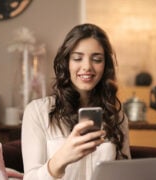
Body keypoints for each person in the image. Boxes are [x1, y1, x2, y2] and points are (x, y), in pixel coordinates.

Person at [21, 23, 131, 180]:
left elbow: (126, 174)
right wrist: (61, 158)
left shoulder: (116, 114)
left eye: (97, 59)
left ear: (105, 65)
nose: (87, 67)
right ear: (66, 63)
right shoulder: (37, 111)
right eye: (78, 58)